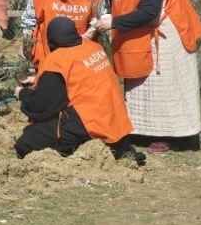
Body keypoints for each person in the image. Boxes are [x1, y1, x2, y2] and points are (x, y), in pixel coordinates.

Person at [91, 0, 201, 153]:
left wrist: (113, 22)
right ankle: (144, 130)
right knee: (145, 87)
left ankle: (172, 136)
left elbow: (149, 11)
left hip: (167, 33)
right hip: (142, 31)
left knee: (165, 86)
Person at [15, 17, 136, 159]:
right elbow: (80, 77)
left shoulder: (57, 60)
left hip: (90, 124)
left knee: (27, 141)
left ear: (51, 41)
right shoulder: (92, 46)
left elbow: (43, 105)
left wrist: (22, 93)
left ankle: (78, 147)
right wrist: (37, 80)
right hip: (115, 121)